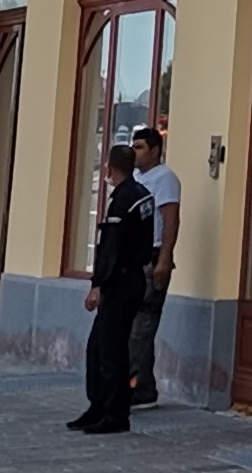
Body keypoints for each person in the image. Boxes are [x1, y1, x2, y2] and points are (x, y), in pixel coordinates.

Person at [69, 142, 155, 435]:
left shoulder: (123, 200)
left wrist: (98, 285)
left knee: (110, 351)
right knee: (99, 347)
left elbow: (112, 249)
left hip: (121, 282)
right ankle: (99, 407)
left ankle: (115, 414)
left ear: (111, 168)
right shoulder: (142, 195)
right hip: (133, 278)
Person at [122, 120, 183, 411]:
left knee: (142, 328)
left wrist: (165, 259)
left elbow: (170, 219)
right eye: (132, 147)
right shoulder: (134, 177)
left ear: (155, 150)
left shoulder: (164, 178)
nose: (134, 152)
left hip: (152, 256)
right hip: (132, 259)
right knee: (129, 326)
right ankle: (134, 383)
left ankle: (141, 389)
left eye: (139, 147)